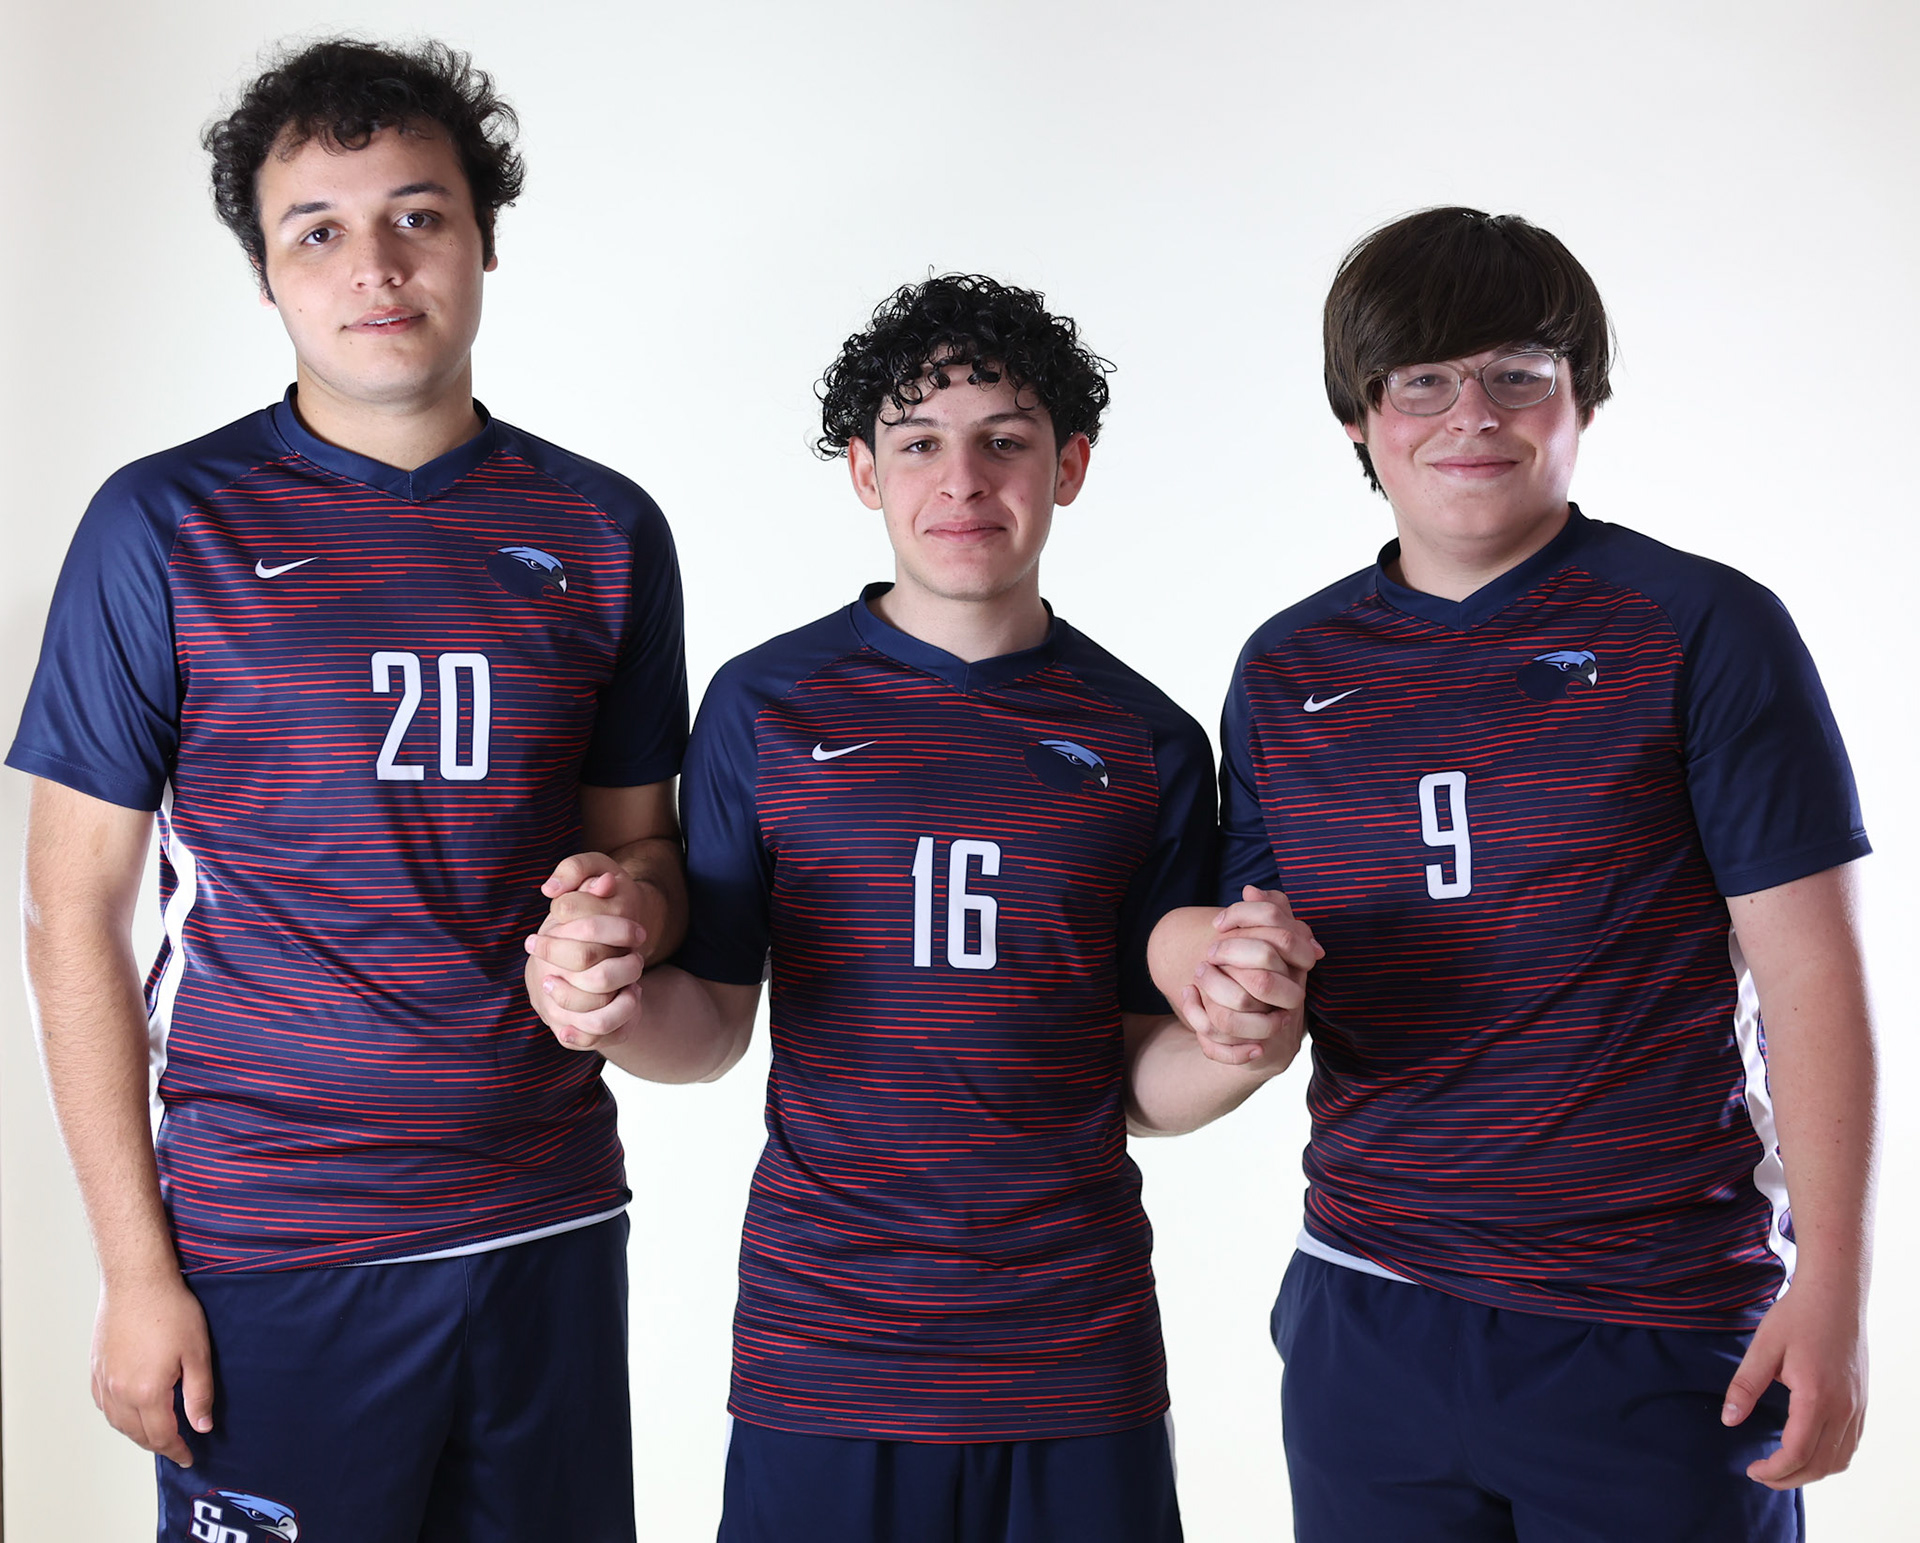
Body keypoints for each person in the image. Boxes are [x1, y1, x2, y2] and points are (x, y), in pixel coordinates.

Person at [9, 38, 687, 1543]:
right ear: (267, 273)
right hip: (275, 1239)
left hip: (546, 1220)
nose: (374, 265)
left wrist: (627, 908)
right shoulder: (163, 525)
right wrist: (134, 1268)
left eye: (417, 214)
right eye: (317, 229)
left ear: (485, 238)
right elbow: (71, 912)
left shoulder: (606, 529)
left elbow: (644, 848)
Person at [1146, 207, 1875, 1541]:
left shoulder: (1701, 625)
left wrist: (1830, 1289)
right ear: (1358, 418)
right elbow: (1236, 941)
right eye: (1422, 379)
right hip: (1368, 1308)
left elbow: (1813, 979)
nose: (1471, 413)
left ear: (1581, 397)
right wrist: (1213, 972)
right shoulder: (1287, 669)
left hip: (1651, 1318)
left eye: (1517, 373)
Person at [527, 274, 1287, 1543]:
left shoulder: (1145, 736)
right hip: (827, 1351)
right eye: (921, 441)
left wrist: (1245, 1042)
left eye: (1006, 440)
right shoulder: (764, 708)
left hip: (1074, 1352)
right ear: (864, 471)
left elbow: (1135, 1082)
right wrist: (599, 1005)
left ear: (1070, 466)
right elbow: (711, 1027)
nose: (963, 480)